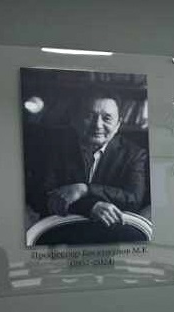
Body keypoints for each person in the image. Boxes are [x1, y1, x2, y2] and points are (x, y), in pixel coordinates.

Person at [31, 92, 149, 228]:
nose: (97, 125)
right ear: (75, 119)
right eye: (90, 116)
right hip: (62, 228)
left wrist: (85, 189)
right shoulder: (55, 148)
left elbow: (133, 199)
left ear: (118, 125)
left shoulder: (134, 154)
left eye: (107, 118)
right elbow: (42, 197)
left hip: (113, 229)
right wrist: (89, 206)